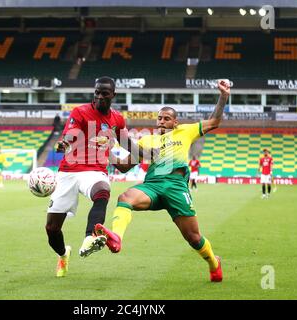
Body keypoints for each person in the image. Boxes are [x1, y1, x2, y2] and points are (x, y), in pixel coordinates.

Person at [94, 79, 230, 283]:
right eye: (159, 118)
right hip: (152, 186)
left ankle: (213, 262)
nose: (162, 121)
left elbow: (214, 122)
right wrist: (105, 152)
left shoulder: (185, 131)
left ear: (175, 122)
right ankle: (117, 237)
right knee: (125, 197)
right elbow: (123, 166)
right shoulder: (146, 141)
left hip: (176, 186)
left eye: (167, 118)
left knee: (193, 238)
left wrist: (223, 96)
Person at [47, 76, 139, 277]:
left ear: (113, 95)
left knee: (103, 191)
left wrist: (144, 154)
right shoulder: (80, 112)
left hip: (95, 171)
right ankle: (63, 255)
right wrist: (65, 144)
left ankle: (90, 237)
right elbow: (70, 135)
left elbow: (129, 146)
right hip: (69, 172)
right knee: (52, 229)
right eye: (96, 92)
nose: (99, 96)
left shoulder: (117, 119)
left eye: (104, 93)